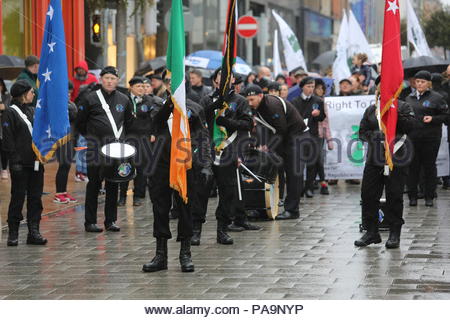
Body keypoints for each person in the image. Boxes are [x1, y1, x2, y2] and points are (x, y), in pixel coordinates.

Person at [143, 74, 212, 272]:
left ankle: (185, 254)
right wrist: (170, 104)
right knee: (160, 210)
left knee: (185, 210)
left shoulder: (195, 108)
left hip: (186, 166)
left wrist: (206, 164)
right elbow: (154, 124)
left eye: (177, 82)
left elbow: (203, 139)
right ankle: (161, 255)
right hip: (161, 166)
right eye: (168, 82)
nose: (172, 85)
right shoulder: (158, 106)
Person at [355, 77, 418, 248]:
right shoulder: (371, 110)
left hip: (396, 157)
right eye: (379, 87)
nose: (382, 90)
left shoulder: (403, 106)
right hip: (374, 158)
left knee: (394, 196)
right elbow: (362, 132)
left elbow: (410, 127)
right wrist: (376, 137)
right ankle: (371, 232)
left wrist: (394, 113)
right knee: (368, 195)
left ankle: (394, 233)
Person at [201, 69, 257, 244]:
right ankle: (196, 229)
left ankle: (222, 229)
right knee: (201, 192)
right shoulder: (206, 99)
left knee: (227, 192)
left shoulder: (239, 101)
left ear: (233, 80)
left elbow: (248, 124)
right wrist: (215, 106)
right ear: (215, 80)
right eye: (221, 76)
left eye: (228, 76)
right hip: (208, 152)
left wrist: (226, 122)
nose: (224, 79)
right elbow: (199, 119)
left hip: (229, 151)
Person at [75, 66, 133, 232]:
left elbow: (129, 122)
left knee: (113, 184)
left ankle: (110, 221)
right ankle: (90, 222)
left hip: (116, 150)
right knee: (94, 184)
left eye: (112, 78)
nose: (109, 81)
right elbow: (80, 122)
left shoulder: (124, 99)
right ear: (101, 79)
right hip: (96, 149)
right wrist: (92, 137)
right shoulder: (90, 98)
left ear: (117, 81)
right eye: (106, 78)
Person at [244, 85, 307, 220]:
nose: (249, 103)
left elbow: (281, 129)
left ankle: (292, 210)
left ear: (260, 96)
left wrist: (268, 146)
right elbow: (263, 127)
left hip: (296, 137)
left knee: (293, 174)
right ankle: (262, 206)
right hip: (283, 138)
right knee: (270, 170)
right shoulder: (256, 107)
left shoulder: (271, 105)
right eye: (247, 100)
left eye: (251, 100)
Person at [2, 80, 47, 246]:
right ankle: (13, 233)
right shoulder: (10, 113)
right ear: (23, 94)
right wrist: (14, 161)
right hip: (20, 164)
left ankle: (33, 232)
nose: (33, 94)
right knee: (18, 198)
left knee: (36, 198)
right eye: (31, 92)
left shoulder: (33, 110)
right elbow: (8, 139)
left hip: (36, 162)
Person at [405, 70, 449, 207]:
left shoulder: (436, 97)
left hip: (430, 138)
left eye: (422, 82)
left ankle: (429, 196)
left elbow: (446, 116)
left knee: (429, 167)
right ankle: (413, 196)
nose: (419, 84)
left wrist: (433, 119)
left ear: (428, 83)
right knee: (413, 167)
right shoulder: (409, 98)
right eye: (417, 81)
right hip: (413, 138)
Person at [118, 76, 163, 207]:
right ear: (131, 87)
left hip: (144, 138)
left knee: (142, 168)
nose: (142, 89)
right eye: (138, 86)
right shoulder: (124, 100)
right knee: (125, 167)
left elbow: (154, 119)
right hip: (127, 138)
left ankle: (139, 195)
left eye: (143, 86)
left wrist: (153, 133)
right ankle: (122, 196)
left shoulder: (149, 101)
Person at [291, 77, 326, 198]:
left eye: (312, 87)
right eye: (308, 86)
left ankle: (309, 188)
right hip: (299, 136)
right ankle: (299, 188)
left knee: (312, 163)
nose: (311, 89)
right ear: (302, 87)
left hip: (313, 135)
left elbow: (322, 117)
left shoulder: (318, 101)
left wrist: (318, 115)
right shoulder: (295, 101)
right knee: (299, 164)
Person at [53, 81, 78, 203]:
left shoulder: (70, 103)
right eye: (66, 92)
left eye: (70, 93)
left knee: (67, 165)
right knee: (63, 164)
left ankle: (64, 191)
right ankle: (58, 193)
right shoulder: (57, 104)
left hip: (71, 137)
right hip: (62, 138)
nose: (68, 94)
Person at [315, 78, 333, 195]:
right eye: (317, 88)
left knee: (319, 159)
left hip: (319, 135)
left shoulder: (323, 103)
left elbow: (325, 122)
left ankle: (323, 182)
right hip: (307, 134)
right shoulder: (309, 102)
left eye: (322, 88)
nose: (319, 90)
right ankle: (314, 182)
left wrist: (329, 139)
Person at [0, 78, 12, 180]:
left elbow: (6, 106)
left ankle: (4, 169)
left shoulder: (6, 96)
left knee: (3, 148)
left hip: (4, 125)